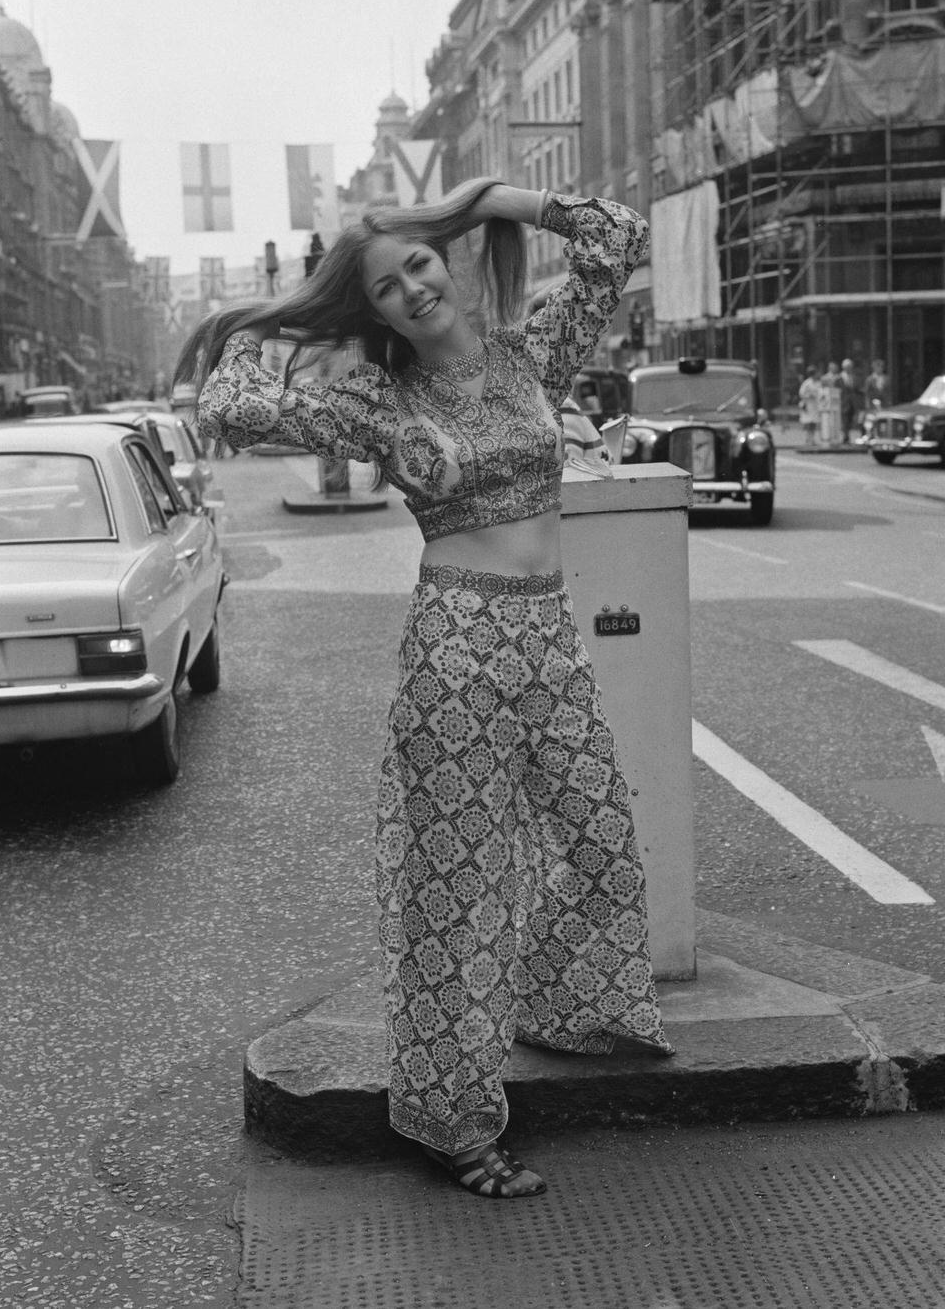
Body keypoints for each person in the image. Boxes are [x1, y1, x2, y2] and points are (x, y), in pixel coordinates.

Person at [183, 180, 672, 1200]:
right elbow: (226, 406)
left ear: (448, 258)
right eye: (384, 284)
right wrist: (263, 323)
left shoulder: (530, 351)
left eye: (421, 262)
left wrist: (483, 198)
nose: (411, 287)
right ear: (368, 309)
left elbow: (615, 236)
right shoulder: (380, 401)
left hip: (546, 632)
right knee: (458, 888)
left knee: (601, 837)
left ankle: (557, 1005)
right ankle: (449, 1120)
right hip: (456, 641)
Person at [798, 364, 823, 448]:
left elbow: (821, 393)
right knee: (809, 423)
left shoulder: (819, 383)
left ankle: (812, 439)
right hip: (808, 405)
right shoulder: (807, 383)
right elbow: (801, 393)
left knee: (814, 423)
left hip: (815, 405)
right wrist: (809, 395)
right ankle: (808, 439)